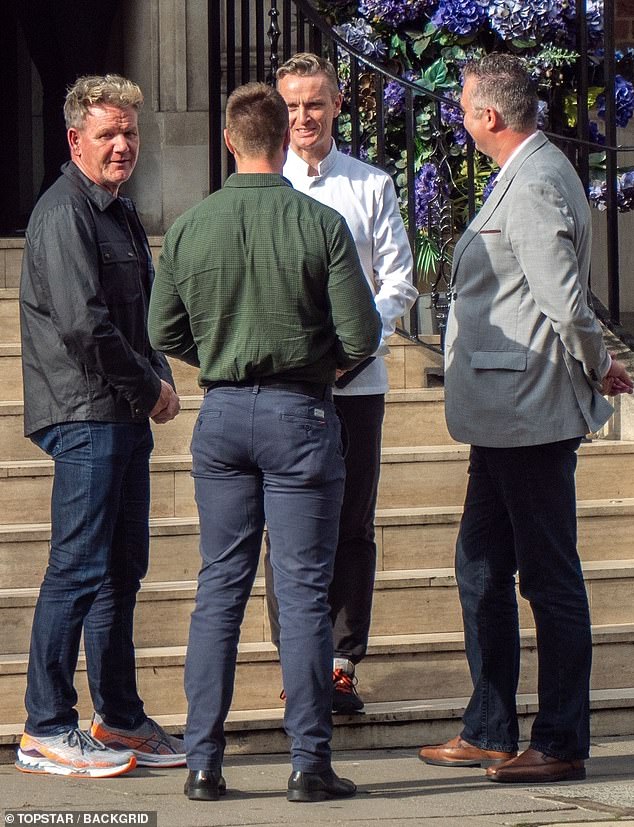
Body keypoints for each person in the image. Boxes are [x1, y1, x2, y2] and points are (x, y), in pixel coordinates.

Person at [148, 82, 382, 803]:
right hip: (301, 413)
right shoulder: (319, 224)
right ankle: (309, 763)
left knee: (218, 589)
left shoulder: (190, 227)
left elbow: (162, 331)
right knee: (306, 591)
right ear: (284, 140)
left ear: (228, 140)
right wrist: (322, 362)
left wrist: (220, 354)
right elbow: (364, 334)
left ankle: (203, 762)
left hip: (221, 414)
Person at [418, 53, 634, 784]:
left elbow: (565, 299)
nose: (458, 114)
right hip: (502, 416)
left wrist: (600, 362)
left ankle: (562, 739)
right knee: (479, 566)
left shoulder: (536, 180)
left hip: (530, 412)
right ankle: (488, 725)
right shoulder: (529, 169)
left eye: (465, 104)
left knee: (549, 577)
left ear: (490, 117)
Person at [18, 74, 184, 779]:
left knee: (121, 571)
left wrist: (159, 373)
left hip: (118, 413)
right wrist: (149, 387)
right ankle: (45, 727)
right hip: (86, 411)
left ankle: (118, 715)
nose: (122, 145)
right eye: (107, 134)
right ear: (74, 140)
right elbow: (86, 326)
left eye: (130, 133)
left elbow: (133, 316)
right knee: (78, 568)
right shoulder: (64, 214)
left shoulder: (116, 211)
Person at [264, 53, 418, 714]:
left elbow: (400, 283)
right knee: (289, 527)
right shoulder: (263, 187)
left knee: (352, 523)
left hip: (356, 388)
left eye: (314, 103)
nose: (302, 117)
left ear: (336, 106)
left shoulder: (372, 185)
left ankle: (341, 658)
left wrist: (353, 350)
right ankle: (298, 660)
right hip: (287, 388)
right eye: (292, 105)